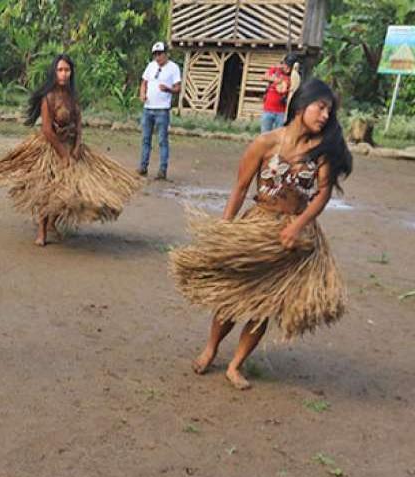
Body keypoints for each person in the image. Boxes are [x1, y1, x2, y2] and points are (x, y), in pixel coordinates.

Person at [171, 79, 352, 390]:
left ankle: (236, 364)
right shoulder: (265, 143)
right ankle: (210, 349)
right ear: (300, 106)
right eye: (320, 107)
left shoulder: (322, 151)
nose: (325, 115)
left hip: (292, 237)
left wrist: (297, 225)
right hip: (258, 226)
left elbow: (322, 194)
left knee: (264, 304)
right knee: (232, 296)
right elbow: (240, 189)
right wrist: (223, 231)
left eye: (329, 111)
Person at [0, 54, 141, 246]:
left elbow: (78, 123)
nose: (64, 74)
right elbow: (46, 130)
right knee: (48, 189)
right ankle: (42, 230)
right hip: (52, 147)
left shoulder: (72, 96)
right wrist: (63, 154)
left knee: (70, 191)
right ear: (54, 72)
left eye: (67, 70)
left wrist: (77, 147)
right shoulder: (49, 98)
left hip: (72, 146)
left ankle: (53, 222)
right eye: (60, 70)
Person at [138, 41, 181, 180]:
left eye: (160, 54)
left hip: (162, 109)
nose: (158, 57)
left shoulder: (173, 68)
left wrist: (168, 89)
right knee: (145, 139)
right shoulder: (151, 66)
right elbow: (144, 82)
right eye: (155, 54)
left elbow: (178, 88)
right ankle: (143, 166)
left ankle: (162, 169)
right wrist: (142, 94)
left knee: (162, 140)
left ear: (166, 53)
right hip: (148, 108)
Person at [261, 53, 300, 133]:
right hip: (268, 109)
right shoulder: (275, 70)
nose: (287, 68)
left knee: (279, 137)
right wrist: (277, 80)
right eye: (286, 65)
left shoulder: (293, 76)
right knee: (265, 136)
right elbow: (264, 77)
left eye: (290, 66)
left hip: (281, 112)